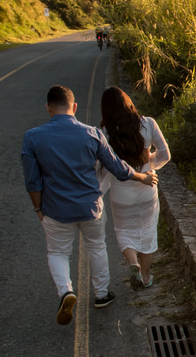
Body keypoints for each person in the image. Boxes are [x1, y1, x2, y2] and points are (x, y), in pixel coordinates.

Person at [22, 85, 157, 325]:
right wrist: (142, 177)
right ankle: (102, 294)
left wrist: (38, 208)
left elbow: (32, 181)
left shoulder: (33, 137)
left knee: (58, 252)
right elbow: (117, 167)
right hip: (90, 206)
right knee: (96, 246)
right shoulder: (93, 133)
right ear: (74, 107)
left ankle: (66, 291)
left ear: (49, 108)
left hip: (55, 209)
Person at [99, 86, 170, 291]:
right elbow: (165, 154)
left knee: (124, 230)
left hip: (121, 190)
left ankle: (133, 264)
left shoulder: (104, 132)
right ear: (128, 102)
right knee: (147, 231)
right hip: (147, 185)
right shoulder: (148, 124)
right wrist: (150, 165)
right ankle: (146, 276)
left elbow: (102, 166)